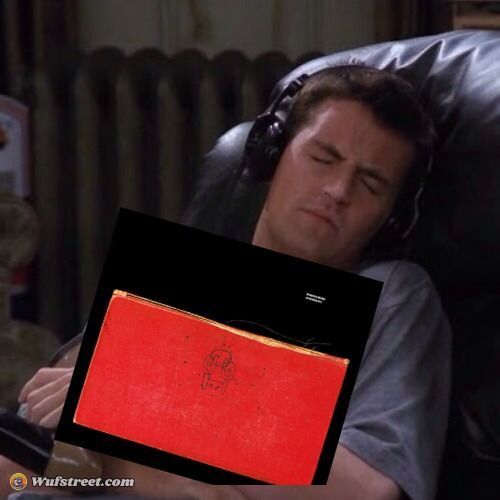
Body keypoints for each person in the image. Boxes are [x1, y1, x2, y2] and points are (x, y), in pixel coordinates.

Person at [1, 65, 451, 500]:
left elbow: (367, 489)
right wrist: (148, 477)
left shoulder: (392, 295)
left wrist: (150, 407)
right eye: (322, 158)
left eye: (370, 184)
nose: (338, 190)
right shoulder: (177, 274)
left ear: (393, 218)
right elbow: (17, 469)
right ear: (271, 155)